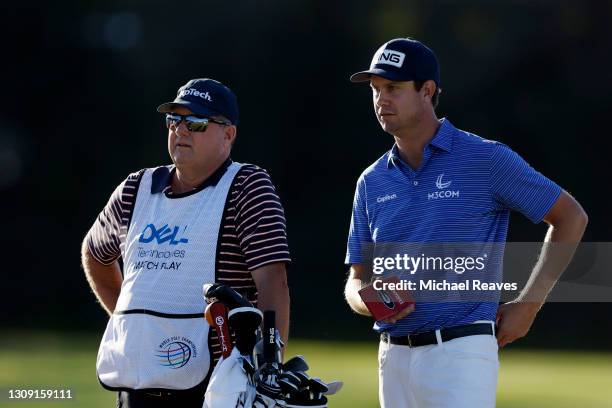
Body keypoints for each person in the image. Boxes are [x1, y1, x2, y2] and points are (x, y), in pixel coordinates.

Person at [343, 38, 588, 408]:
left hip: (461, 352)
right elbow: (354, 282)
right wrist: (370, 299)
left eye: (393, 88)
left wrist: (528, 305)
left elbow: (570, 217)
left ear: (427, 91)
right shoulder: (371, 181)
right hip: (391, 357)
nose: (381, 100)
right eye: (376, 90)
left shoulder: (485, 159)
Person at [81, 78, 291, 407]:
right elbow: (95, 253)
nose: (181, 130)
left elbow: (272, 279)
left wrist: (269, 364)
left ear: (228, 133)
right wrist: (128, 317)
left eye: (195, 122)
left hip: (214, 386)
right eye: (174, 120)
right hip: (137, 382)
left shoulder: (247, 186)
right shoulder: (136, 188)